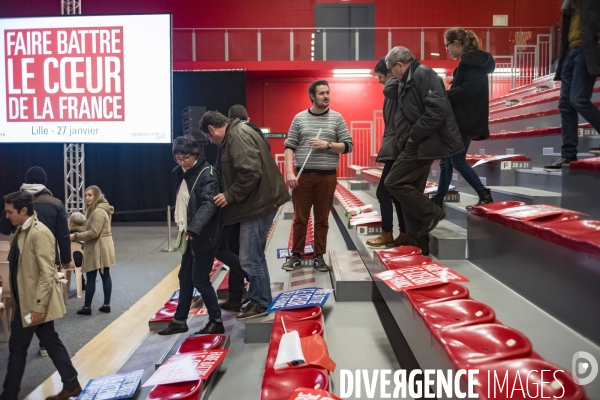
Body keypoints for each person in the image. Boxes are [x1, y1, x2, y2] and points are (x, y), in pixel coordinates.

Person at [200, 111, 290, 320]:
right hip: (259, 202)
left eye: (208, 137)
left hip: (257, 205)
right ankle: (260, 296)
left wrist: (230, 195)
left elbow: (250, 172)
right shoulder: (239, 131)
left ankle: (261, 302)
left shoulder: (236, 136)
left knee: (249, 259)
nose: (211, 142)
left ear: (212, 129)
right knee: (256, 256)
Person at [383, 46, 464, 255]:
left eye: (392, 70)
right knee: (411, 193)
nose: (390, 75)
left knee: (393, 182)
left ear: (401, 64)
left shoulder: (424, 74)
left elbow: (438, 110)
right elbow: (387, 89)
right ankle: (418, 247)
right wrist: (396, 75)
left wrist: (414, 135)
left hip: (421, 142)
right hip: (415, 142)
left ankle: (432, 212)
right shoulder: (406, 80)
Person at [1, 191, 81, 400]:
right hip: (27, 302)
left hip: (33, 305)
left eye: (10, 212)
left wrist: (37, 306)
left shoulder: (40, 233)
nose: (7, 215)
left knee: (17, 348)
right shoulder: (21, 231)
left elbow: (47, 273)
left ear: (24, 210)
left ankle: (9, 394)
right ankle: (71, 383)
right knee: (50, 341)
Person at [282, 80, 353, 272]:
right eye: (321, 93)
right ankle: (296, 255)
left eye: (328, 92)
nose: (326, 96)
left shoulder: (337, 118)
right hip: (302, 176)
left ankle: (319, 256)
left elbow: (348, 146)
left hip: (327, 177)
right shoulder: (299, 118)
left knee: (322, 219)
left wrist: (327, 145)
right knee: (300, 218)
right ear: (312, 96)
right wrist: (289, 172)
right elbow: (289, 146)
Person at [0, 166, 71, 358]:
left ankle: (19, 341)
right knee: (44, 295)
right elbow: (63, 234)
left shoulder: (13, 201)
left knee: (21, 296)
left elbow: (4, 230)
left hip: (18, 258)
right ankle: (43, 345)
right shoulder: (55, 203)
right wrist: (66, 259)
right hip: (46, 256)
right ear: (44, 182)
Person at [158, 135, 225, 335]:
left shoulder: (207, 173)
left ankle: (216, 319)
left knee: (199, 278)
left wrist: (194, 228)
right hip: (190, 233)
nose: (182, 162)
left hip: (204, 234)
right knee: (185, 277)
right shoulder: (184, 173)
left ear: (195, 154)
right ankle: (179, 320)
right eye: (178, 158)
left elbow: (208, 204)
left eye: (185, 157)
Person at [431, 28, 496, 208]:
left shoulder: (472, 63)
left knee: (457, 160)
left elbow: (469, 90)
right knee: (446, 160)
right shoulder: (470, 63)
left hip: (466, 120)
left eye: (447, 46)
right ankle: (438, 199)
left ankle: (484, 193)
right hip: (464, 119)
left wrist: (445, 94)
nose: (447, 50)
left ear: (457, 43)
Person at [544, 0, 600, 171]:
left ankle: (569, 153)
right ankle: (568, 154)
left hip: (586, 50)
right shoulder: (569, 3)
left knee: (578, 100)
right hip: (570, 53)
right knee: (565, 105)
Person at [366, 58, 408, 248]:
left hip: (397, 148)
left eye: (381, 76)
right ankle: (403, 233)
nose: (379, 81)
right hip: (396, 147)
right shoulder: (396, 90)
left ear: (391, 73)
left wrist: (392, 75)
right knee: (395, 193)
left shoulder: (397, 88)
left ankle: (388, 233)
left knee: (383, 191)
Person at [70, 186, 115, 315]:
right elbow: (92, 229)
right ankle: (105, 305)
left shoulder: (98, 211)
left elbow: (94, 233)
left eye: (90, 195)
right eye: (85, 195)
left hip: (98, 247)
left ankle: (87, 307)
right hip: (101, 246)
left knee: (93, 275)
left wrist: (75, 236)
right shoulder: (96, 209)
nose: (87, 198)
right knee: (104, 274)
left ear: (96, 195)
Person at [68, 212, 87, 289]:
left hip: (70, 261)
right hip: (86, 260)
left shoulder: (68, 234)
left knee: (74, 257)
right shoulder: (86, 234)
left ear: (71, 222)